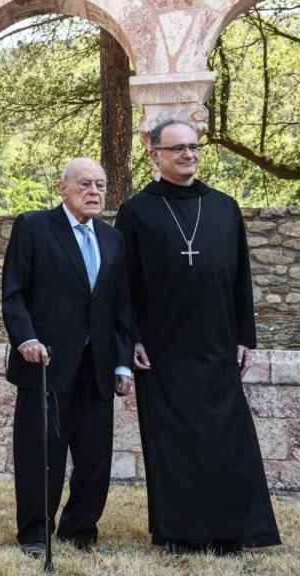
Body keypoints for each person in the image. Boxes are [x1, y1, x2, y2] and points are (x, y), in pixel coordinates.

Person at [115, 119, 280, 554]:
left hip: (218, 344)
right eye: (177, 149)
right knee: (173, 443)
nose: (188, 155)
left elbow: (241, 277)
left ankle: (234, 531)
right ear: (155, 155)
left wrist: (246, 335)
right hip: (163, 348)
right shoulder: (137, 211)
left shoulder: (224, 207)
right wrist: (130, 336)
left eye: (193, 147)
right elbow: (123, 284)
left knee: (228, 440)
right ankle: (179, 533)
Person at [1, 158, 134, 556]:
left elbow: (122, 307)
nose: (94, 192)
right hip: (45, 364)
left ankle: (80, 530)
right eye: (85, 184)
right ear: (63, 188)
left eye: (100, 185)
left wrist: (123, 361)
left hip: (97, 368)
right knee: (41, 455)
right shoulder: (33, 228)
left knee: (95, 458)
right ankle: (35, 534)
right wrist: (25, 338)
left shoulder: (114, 240)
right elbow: (13, 293)